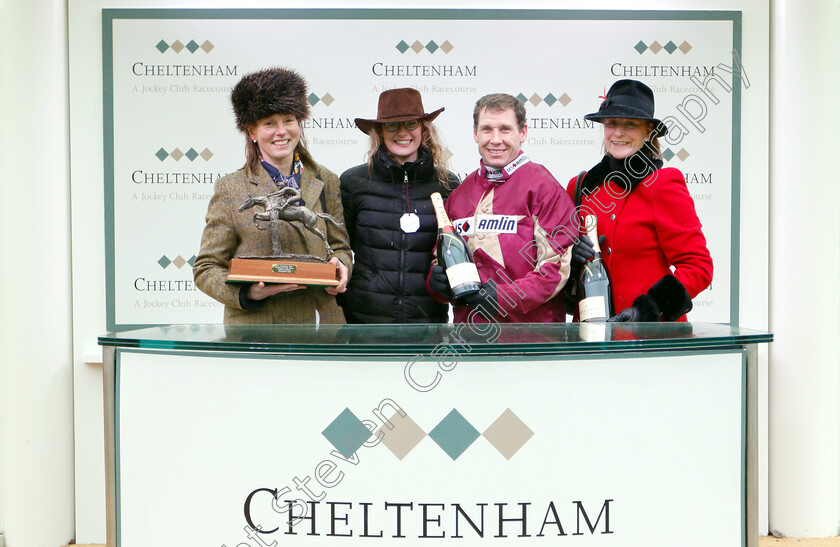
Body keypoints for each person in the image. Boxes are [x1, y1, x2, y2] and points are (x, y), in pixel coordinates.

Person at [193, 67, 351, 324]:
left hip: (323, 329)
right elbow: (206, 268)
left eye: (288, 120)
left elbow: (340, 247)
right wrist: (248, 293)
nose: (281, 131)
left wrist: (341, 265)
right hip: (258, 332)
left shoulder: (327, 180)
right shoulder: (230, 188)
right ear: (252, 132)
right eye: (269, 123)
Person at [567, 79, 713, 322]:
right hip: (591, 337)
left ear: (648, 131)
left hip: (651, 337)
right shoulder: (580, 186)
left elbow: (698, 267)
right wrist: (571, 260)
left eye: (630, 125)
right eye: (612, 123)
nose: (619, 132)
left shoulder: (664, 183)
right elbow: (555, 267)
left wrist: (649, 309)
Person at [428, 93, 578, 323]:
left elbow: (555, 271)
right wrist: (436, 283)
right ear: (475, 134)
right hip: (471, 340)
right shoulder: (459, 195)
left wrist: (503, 297)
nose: (495, 139)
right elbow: (439, 260)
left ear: (523, 133)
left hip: (532, 341)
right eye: (487, 129)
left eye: (505, 129)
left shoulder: (544, 187)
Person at [338, 88, 457, 323]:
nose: (402, 132)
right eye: (392, 125)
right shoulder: (354, 182)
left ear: (423, 128)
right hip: (363, 321)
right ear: (380, 132)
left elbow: (452, 252)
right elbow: (338, 246)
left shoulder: (448, 184)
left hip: (427, 322)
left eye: (411, 123)